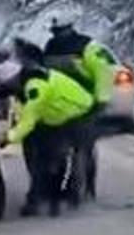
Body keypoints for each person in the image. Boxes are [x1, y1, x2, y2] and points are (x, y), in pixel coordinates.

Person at [0, 39, 96, 217]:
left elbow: (29, 119)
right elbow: (7, 87)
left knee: (63, 156)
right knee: (41, 159)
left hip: (76, 116)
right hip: (52, 117)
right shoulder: (28, 75)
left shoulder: (37, 87)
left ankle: (69, 192)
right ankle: (42, 195)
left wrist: (8, 138)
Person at [42, 16, 117, 199]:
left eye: (59, 31)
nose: (58, 35)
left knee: (83, 147)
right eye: (55, 32)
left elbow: (104, 72)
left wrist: (100, 100)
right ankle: (59, 186)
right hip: (59, 106)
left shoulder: (88, 47)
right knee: (55, 148)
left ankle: (87, 186)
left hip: (85, 105)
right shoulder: (50, 47)